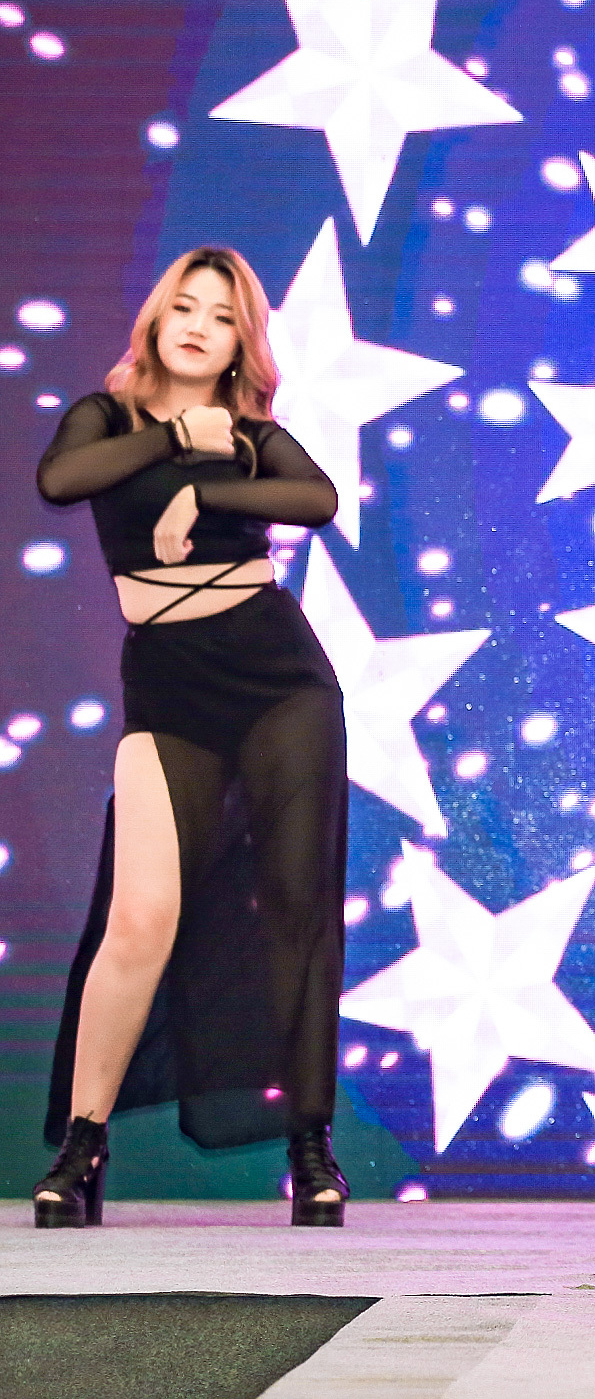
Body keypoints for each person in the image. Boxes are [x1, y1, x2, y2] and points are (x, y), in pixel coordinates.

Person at [30, 245, 351, 1229]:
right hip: (170, 686)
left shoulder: (254, 436)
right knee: (140, 916)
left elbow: (318, 501)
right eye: (186, 306)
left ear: (241, 343)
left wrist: (205, 487)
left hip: (278, 679)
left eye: (222, 315)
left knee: (296, 909)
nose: (200, 325)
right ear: (158, 318)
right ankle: (83, 1145)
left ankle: (310, 1147)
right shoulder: (106, 417)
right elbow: (60, 481)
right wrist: (178, 440)